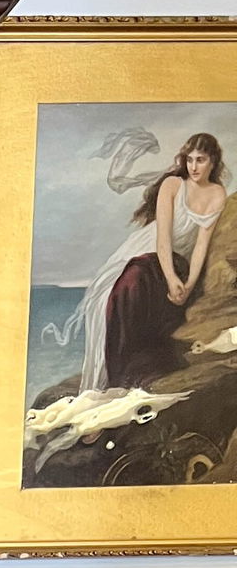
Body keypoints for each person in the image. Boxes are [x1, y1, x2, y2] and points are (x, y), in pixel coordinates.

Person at [55, 133, 228, 397]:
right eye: (189, 159)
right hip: (150, 253)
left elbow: (202, 245)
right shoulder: (173, 185)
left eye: (200, 160)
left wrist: (189, 283)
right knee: (126, 286)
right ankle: (117, 376)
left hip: (177, 261)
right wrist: (171, 279)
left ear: (212, 162)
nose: (193, 166)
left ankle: (135, 369)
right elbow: (162, 239)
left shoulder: (217, 193)